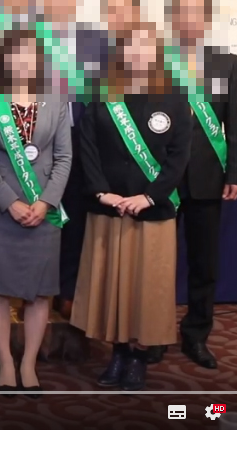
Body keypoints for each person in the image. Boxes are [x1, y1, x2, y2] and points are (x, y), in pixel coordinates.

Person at [72, 23, 191, 391]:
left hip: (152, 210)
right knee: (113, 285)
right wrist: (101, 193)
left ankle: (139, 355)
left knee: (147, 287)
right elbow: (87, 147)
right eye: (131, 46)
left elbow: (179, 157)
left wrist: (150, 197)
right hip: (110, 208)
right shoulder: (103, 94)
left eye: (146, 46)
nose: (138, 53)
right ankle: (118, 352)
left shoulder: (173, 97)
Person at [0, 29, 72, 396]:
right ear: (5, 60)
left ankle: (28, 361)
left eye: (30, 55)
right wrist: (10, 202)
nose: (23, 62)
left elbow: (64, 157)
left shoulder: (56, 100)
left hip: (44, 209)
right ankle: (5, 360)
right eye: (16, 55)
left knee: (40, 292)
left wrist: (45, 202)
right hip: (2, 210)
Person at [162, 0, 237, 369]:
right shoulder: (156, 62)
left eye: (197, 14)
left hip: (207, 178)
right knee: (158, 263)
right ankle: (154, 333)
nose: (189, 21)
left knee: (203, 264)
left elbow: (235, 125)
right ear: (172, 19)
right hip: (160, 180)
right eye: (182, 13)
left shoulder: (226, 64)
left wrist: (235, 173)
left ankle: (196, 335)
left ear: (207, 20)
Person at [41, 0, 111, 320]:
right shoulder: (27, 40)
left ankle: (68, 290)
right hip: (39, 144)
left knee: (75, 219)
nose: (60, 4)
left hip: (82, 142)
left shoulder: (96, 42)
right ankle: (38, 289)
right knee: (42, 216)